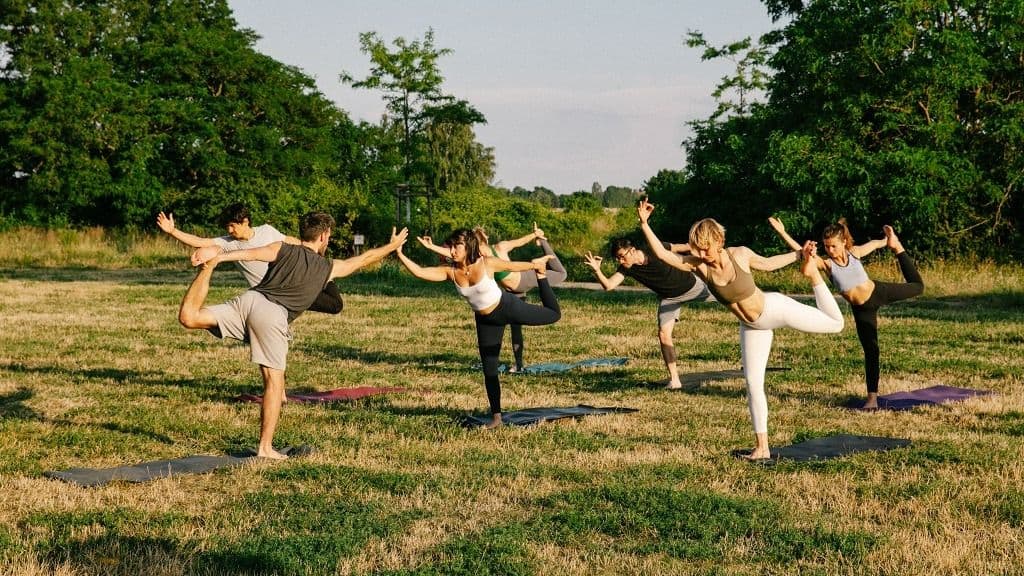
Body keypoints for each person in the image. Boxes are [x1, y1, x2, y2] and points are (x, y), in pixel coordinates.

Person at [178, 211, 407, 458]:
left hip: (250, 300)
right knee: (274, 384)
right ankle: (265, 448)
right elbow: (365, 259)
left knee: (190, 317)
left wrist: (216, 257)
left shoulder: (281, 247)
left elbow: (250, 253)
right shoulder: (329, 266)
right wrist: (392, 246)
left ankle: (205, 272)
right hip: (272, 315)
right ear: (325, 236)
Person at [637, 199, 844, 460]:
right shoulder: (698, 265)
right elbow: (665, 255)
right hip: (752, 326)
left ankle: (813, 277)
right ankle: (762, 447)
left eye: (706, 248)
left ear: (719, 241)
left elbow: (768, 264)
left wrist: (798, 255)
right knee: (753, 384)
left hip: (773, 309)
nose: (702, 254)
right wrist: (645, 224)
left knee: (836, 325)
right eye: (698, 249)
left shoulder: (740, 255)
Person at [397, 228, 561, 428]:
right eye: (451, 246)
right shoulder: (451, 272)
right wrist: (399, 253)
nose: (452, 250)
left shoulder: (487, 263)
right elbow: (420, 272)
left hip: (507, 307)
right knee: (489, 370)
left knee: (553, 315)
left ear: (468, 247)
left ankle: (543, 279)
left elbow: (512, 265)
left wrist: (537, 267)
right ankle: (496, 418)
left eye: (457, 246)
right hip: (486, 321)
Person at [768, 217, 924, 409]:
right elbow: (802, 252)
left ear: (843, 242)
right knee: (871, 350)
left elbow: (873, 245)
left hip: (878, 291)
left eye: (833, 246)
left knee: (917, 287)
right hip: (862, 309)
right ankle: (872, 399)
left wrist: (887, 241)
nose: (830, 250)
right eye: (826, 247)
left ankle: (897, 247)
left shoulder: (854, 253)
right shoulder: (827, 265)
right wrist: (783, 232)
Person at [418, 223, 567, 372]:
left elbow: (519, 242)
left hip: (523, 280)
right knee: (516, 328)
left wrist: (536, 237)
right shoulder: (485, 252)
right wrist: (432, 247)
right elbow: (454, 254)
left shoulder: (494, 249)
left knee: (561, 274)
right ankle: (519, 364)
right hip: (512, 290)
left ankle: (544, 244)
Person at [157, 203, 342, 314]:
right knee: (334, 305)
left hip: (290, 285)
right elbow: (200, 241)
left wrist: (314, 252)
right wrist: (173, 231)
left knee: (335, 304)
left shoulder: (267, 232)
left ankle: (328, 277)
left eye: (232, 225)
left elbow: (291, 241)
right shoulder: (228, 243)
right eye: (227, 227)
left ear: (245, 221)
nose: (229, 230)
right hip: (273, 296)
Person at [583, 238, 714, 388]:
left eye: (622, 256)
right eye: (617, 258)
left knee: (733, 300)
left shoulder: (653, 249)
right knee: (663, 334)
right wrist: (597, 270)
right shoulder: (627, 267)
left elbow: (681, 246)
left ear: (632, 250)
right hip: (670, 298)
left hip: (693, 286)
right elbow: (609, 285)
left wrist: (705, 250)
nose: (620, 261)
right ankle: (675, 380)